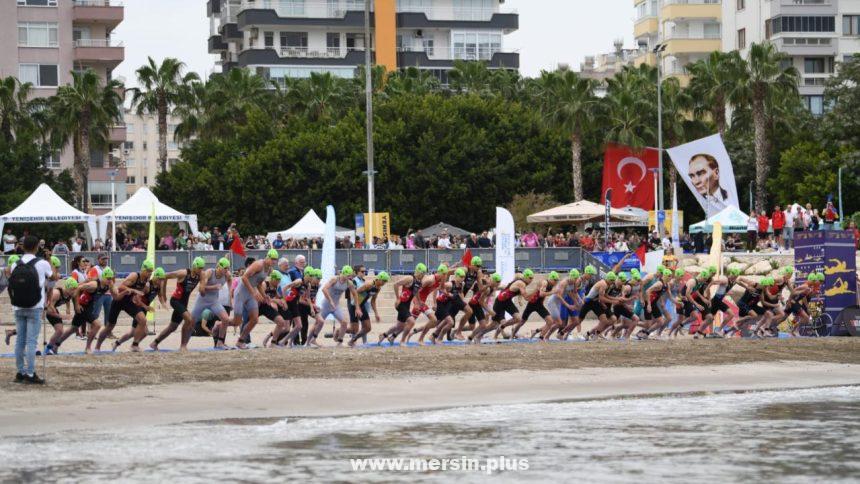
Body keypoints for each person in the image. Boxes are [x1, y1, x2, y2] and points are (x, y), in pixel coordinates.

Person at [9, 236, 53, 384]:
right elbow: (54, 277)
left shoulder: (16, 264)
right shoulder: (42, 263)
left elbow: (9, 278)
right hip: (35, 306)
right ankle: (30, 373)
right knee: (31, 341)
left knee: (20, 341)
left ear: (23, 247)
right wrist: (50, 259)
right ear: (36, 247)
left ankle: (20, 372)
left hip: (18, 305)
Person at [151, 257, 205, 351]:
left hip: (184, 303)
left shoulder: (200, 275)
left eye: (202, 268)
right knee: (189, 319)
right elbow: (165, 276)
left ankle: (154, 343)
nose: (201, 270)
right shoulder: (183, 273)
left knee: (172, 327)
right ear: (194, 266)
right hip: (176, 300)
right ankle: (183, 346)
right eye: (200, 268)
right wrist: (163, 294)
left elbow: (202, 287)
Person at [233, 249, 277, 349]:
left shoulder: (269, 269)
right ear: (267, 257)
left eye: (275, 260)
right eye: (272, 259)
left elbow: (259, 283)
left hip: (251, 294)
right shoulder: (258, 264)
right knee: (236, 321)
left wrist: (264, 295)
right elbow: (244, 277)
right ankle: (218, 326)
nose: (274, 262)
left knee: (254, 319)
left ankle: (241, 341)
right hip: (241, 292)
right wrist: (253, 292)